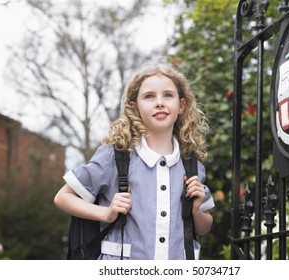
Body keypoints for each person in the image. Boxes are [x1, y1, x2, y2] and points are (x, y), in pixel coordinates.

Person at [54, 63, 215, 260]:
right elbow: (63, 197)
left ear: (181, 105)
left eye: (168, 95)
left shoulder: (192, 165)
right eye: (149, 96)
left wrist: (197, 209)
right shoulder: (114, 157)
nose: (159, 102)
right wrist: (107, 213)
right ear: (134, 107)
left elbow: (204, 227)